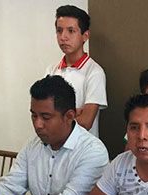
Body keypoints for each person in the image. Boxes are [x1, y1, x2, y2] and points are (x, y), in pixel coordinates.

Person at [46, 5, 107, 137]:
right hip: (54, 147)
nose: (63, 37)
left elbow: (86, 122)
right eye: (59, 30)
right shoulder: (51, 70)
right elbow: (43, 112)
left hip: (82, 149)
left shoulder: (94, 72)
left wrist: (54, 119)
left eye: (71, 31)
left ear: (85, 36)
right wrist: (73, 114)